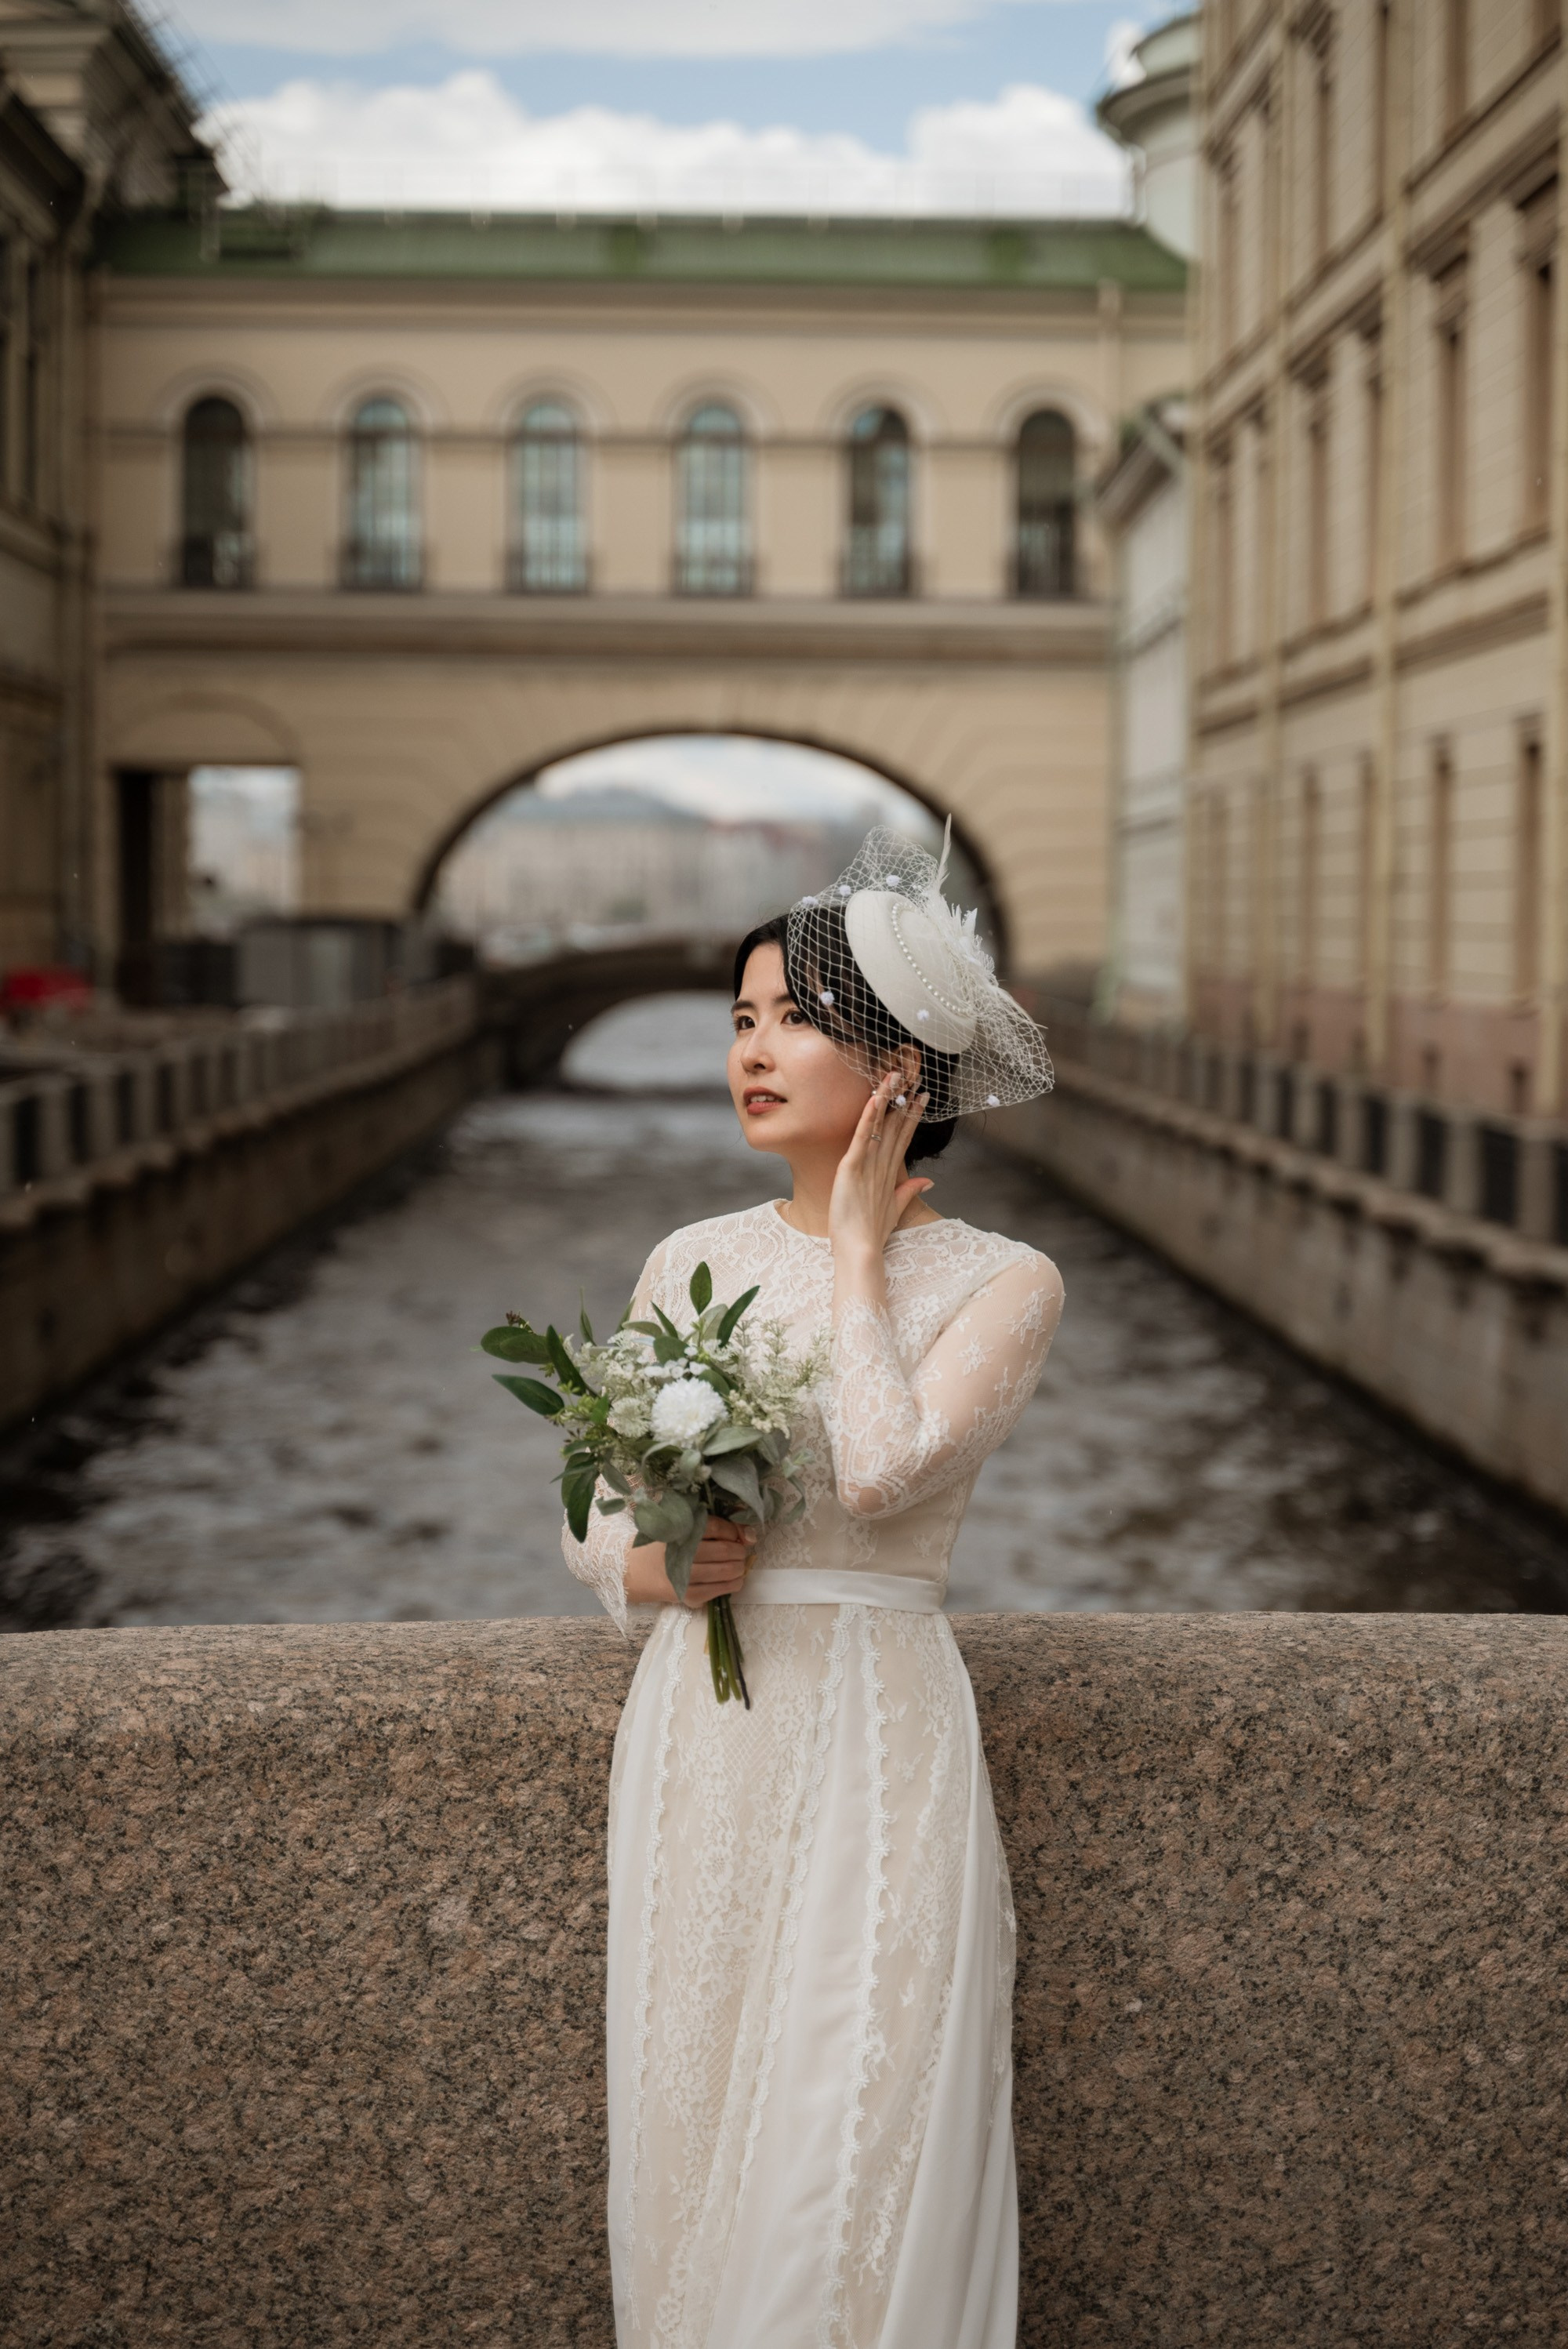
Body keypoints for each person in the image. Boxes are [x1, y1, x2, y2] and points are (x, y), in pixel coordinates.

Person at [564, 826, 1064, 2349]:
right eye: (740, 1018)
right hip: (705, 1727)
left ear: (903, 1067)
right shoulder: (684, 1257)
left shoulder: (1003, 1282)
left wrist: (854, 1250)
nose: (753, 1050)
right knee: (698, 2096)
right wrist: (662, 1561)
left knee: (860, 2109)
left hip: (875, 1719)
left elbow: (875, 1471)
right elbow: (593, 1513)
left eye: (794, 1016)